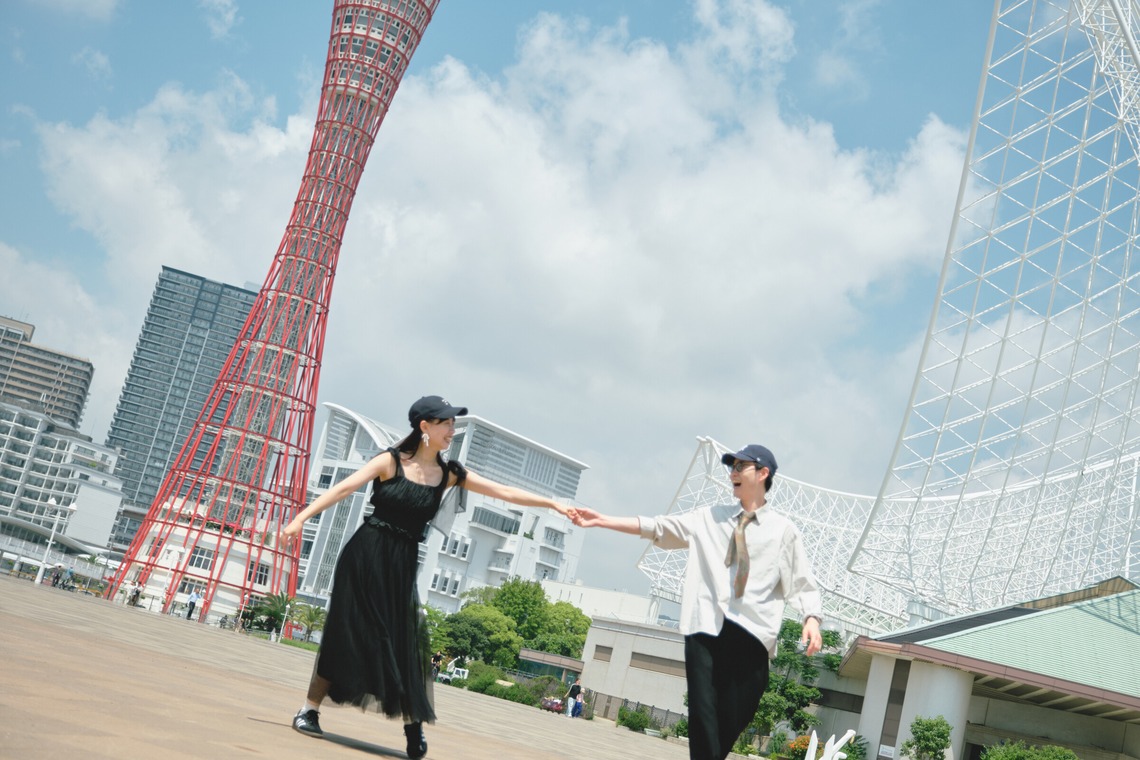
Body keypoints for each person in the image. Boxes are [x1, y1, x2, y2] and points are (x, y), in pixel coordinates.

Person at [282, 395, 577, 759]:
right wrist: (300, 519)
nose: (452, 430)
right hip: (365, 556)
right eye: (446, 423)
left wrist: (551, 504)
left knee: (404, 642)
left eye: (453, 423)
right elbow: (344, 488)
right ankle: (308, 710)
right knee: (347, 634)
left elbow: (504, 491)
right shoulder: (389, 462)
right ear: (425, 426)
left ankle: (413, 726)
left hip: (402, 563)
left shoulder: (449, 473)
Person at [573, 444, 823, 760]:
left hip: (753, 636)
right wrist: (603, 520)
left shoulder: (784, 532)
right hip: (706, 627)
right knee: (703, 710)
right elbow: (660, 527)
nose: (732, 472)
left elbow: (802, 581)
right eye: (730, 466)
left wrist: (811, 617)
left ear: (763, 474)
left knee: (734, 718)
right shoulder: (708, 518)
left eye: (740, 466)